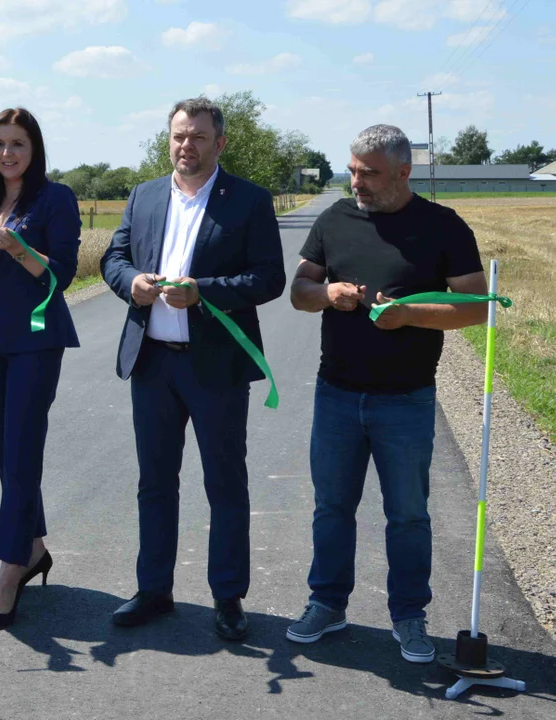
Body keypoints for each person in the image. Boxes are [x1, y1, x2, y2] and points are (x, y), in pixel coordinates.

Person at [286, 124, 487, 663]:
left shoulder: (443, 225)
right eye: (353, 170)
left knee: (408, 515)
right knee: (332, 508)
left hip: (406, 398)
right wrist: (327, 293)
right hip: (336, 394)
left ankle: (409, 615)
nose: (357, 182)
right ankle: (327, 604)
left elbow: (476, 306)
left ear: (403, 172)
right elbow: (299, 292)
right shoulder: (335, 218)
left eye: (370, 173)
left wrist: (409, 315)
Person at [100, 97, 285, 639]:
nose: (187, 145)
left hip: (215, 367)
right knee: (155, 483)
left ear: (219, 143)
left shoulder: (249, 200)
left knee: (224, 483)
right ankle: (153, 590)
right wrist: (130, 282)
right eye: (180, 135)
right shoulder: (144, 195)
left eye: (199, 137)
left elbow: (269, 278)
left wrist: (204, 291)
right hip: (152, 363)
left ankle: (228, 597)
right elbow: (114, 258)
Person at [0, 108, 81, 632]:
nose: (8, 153)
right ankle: (33, 548)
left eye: (18, 144)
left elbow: (62, 275)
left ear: (35, 149)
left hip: (34, 340)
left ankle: (9, 573)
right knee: (6, 453)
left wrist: (20, 248)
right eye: (0, 144)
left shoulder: (56, 198)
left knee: (23, 449)